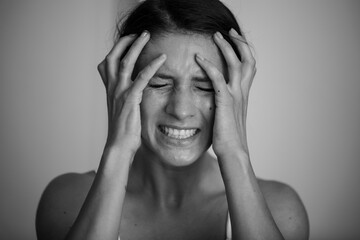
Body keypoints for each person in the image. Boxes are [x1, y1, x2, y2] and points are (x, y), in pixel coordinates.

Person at [36, 0, 309, 239]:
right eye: (157, 83)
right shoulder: (66, 200)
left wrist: (236, 153)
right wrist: (117, 151)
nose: (180, 110)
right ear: (122, 87)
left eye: (204, 87)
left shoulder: (282, 210)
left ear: (234, 93)